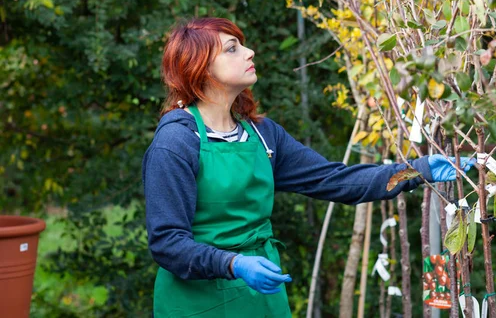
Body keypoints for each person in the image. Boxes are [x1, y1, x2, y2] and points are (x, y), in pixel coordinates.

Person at [142, 17, 474, 317]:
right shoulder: (176, 142)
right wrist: (233, 263)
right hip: (196, 304)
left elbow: (336, 180)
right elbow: (168, 242)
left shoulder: (261, 134)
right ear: (201, 68)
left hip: (260, 297)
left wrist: (418, 170)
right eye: (232, 49)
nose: (250, 52)